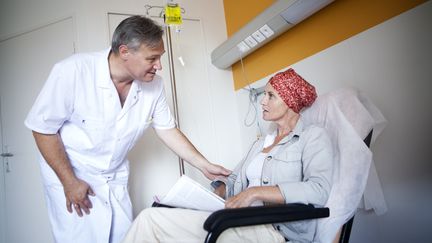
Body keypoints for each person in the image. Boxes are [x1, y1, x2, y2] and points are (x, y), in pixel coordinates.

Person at [24, 15, 230, 243]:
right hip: (74, 172)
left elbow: (167, 129)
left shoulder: (154, 85)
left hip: (114, 177)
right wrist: (69, 182)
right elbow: (43, 129)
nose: (159, 66)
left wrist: (203, 164)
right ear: (124, 52)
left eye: (160, 58)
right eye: (152, 58)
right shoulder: (73, 71)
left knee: (125, 237)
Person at [122, 68, 334, 243]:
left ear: (290, 102)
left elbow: (318, 189)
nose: (263, 101)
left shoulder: (312, 137)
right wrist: (218, 189)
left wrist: (257, 193)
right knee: (150, 219)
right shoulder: (262, 142)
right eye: (264, 94)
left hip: (275, 230)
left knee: (218, 236)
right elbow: (234, 180)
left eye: (271, 95)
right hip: (237, 220)